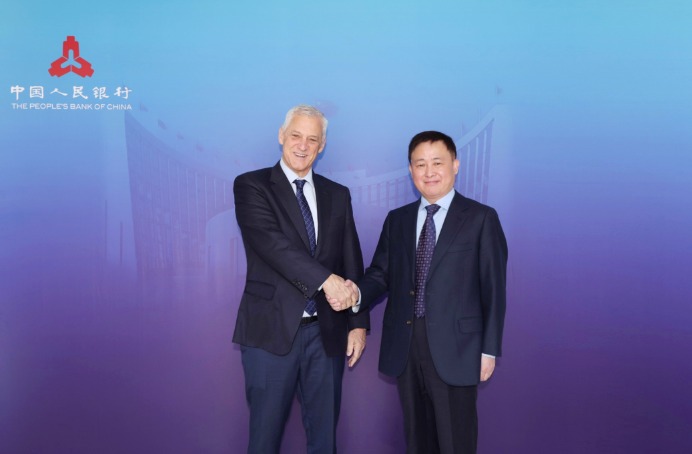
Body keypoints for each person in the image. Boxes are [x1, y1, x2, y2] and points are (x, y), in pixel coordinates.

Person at [349, 130, 507, 453]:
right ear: (411, 170)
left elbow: (493, 289)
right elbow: (380, 274)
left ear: (455, 165)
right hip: (406, 347)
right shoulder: (398, 220)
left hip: (458, 350)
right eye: (420, 164)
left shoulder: (481, 218)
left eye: (437, 162)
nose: (429, 171)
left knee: (455, 442)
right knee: (417, 441)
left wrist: (489, 350)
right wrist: (355, 294)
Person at [232, 104, 368, 454]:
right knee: (264, 441)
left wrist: (357, 323)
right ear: (281, 135)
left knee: (324, 440)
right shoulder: (251, 185)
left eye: (312, 139)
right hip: (270, 332)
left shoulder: (338, 194)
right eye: (296, 135)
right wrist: (327, 280)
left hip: (327, 333)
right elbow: (272, 245)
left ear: (322, 145)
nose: (303, 146)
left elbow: (351, 258)